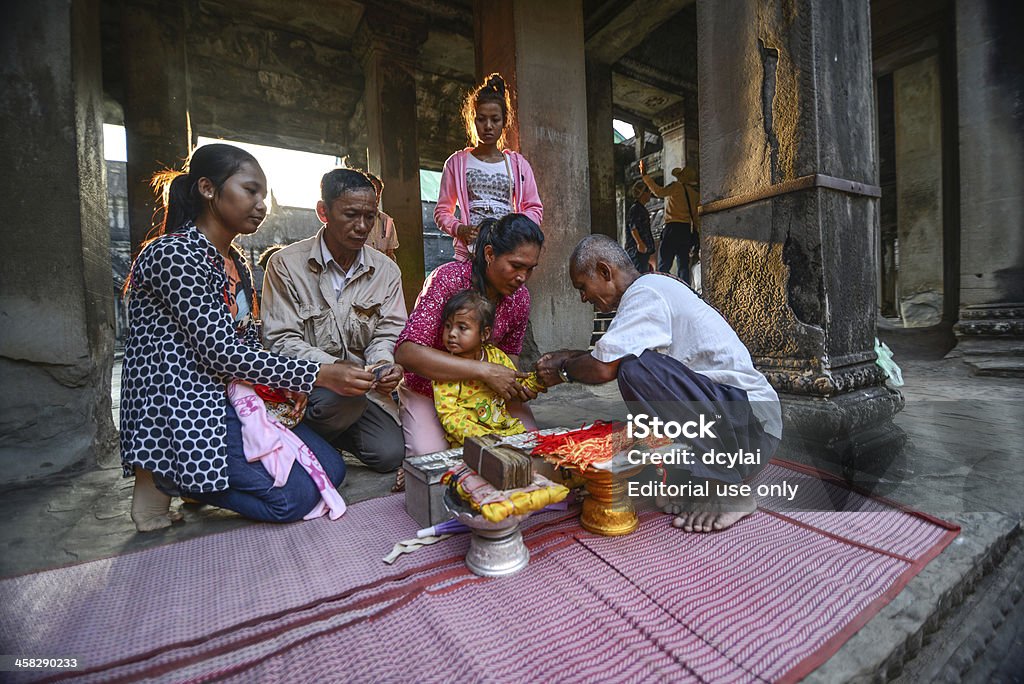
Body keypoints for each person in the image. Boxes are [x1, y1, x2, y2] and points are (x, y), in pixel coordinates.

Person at [121, 143, 360, 532]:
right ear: (207, 188)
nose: (261, 204)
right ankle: (173, 474)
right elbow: (221, 352)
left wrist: (279, 389)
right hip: (187, 405)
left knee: (330, 469)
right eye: (250, 190)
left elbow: (247, 345)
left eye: (263, 194)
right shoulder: (175, 254)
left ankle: (198, 483)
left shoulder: (235, 262)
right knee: (295, 497)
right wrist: (318, 374)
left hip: (232, 398)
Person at [535, 235, 782, 533]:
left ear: (604, 271)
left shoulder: (645, 293)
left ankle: (726, 488)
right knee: (634, 371)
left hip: (750, 427)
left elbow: (603, 368)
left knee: (635, 370)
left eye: (582, 288)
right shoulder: (649, 291)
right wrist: (569, 357)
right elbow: (605, 356)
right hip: (741, 428)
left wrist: (563, 369)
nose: (583, 298)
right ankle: (693, 478)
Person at [261, 169, 407, 475]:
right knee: (343, 403)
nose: (362, 226)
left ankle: (320, 443)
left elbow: (388, 332)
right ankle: (308, 444)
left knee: (390, 454)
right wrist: (331, 370)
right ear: (323, 212)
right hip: (305, 389)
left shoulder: (387, 271)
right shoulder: (285, 264)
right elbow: (279, 340)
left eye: (370, 216)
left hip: (359, 393)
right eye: (351, 215)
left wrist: (383, 365)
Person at [395, 213, 544, 461]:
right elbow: (407, 352)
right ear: (489, 254)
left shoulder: (520, 298)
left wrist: (514, 386)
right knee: (431, 458)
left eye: (530, 269)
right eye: (516, 266)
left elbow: (509, 358)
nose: (522, 277)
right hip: (428, 388)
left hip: (482, 393)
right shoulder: (447, 279)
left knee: (528, 447)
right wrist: (483, 371)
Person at [435, 73, 543, 262]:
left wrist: (514, 231)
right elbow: (442, 211)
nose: (488, 126)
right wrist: (459, 229)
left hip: (507, 252)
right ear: (472, 120)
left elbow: (534, 209)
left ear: (504, 122)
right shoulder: (457, 163)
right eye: (481, 119)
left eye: (495, 119)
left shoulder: (518, 165)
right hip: (470, 255)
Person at [433, 289, 546, 447]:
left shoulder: (496, 357)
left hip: (505, 430)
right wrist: (484, 439)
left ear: (485, 334)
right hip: (472, 440)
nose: (451, 333)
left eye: (462, 327)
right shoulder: (447, 368)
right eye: (447, 326)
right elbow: (449, 415)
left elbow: (517, 384)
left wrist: (542, 379)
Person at [639, 160, 700, 285]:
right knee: (683, 266)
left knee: (664, 265)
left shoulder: (676, 187)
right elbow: (696, 218)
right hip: (686, 230)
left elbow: (658, 192)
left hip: (672, 229)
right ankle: (685, 291)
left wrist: (645, 176)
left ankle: (663, 289)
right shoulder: (695, 195)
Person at [364, 172, 399, 261]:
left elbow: (390, 253)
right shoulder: (351, 222)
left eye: (378, 194)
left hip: (380, 272)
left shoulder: (387, 222)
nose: (375, 198)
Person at [625, 180, 655, 273]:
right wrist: (640, 243)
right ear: (643, 193)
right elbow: (633, 227)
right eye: (648, 191)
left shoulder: (642, 209)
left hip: (642, 251)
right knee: (638, 274)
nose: (650, 193)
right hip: (636, 251)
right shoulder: (636, 209)